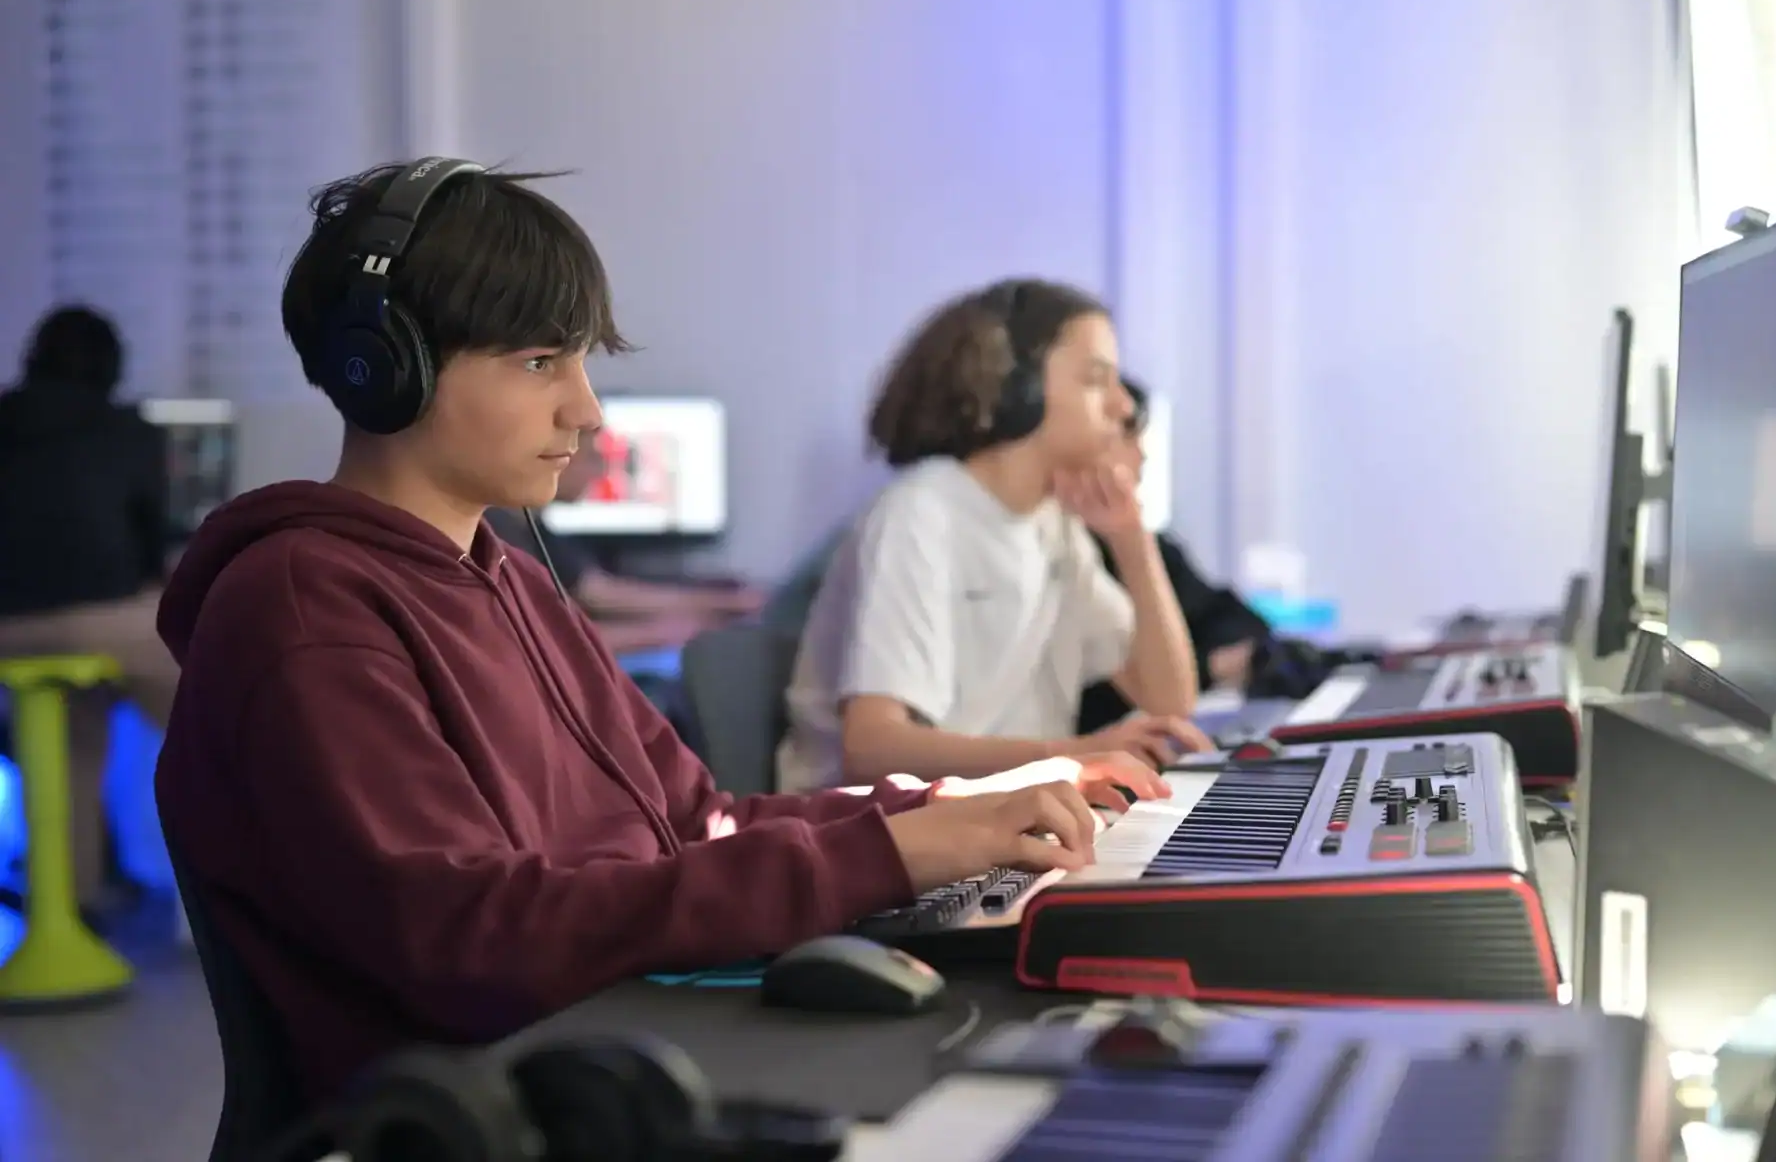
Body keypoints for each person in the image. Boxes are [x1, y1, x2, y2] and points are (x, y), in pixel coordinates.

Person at [152, 162, 1168, 1110]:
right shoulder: (305, 609)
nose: (587, 410)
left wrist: (949, 812)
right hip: (481, 1103)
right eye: (540, 360)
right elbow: (467, 940)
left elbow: (702, 822)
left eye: (581, 362)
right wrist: (889, 857)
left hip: (607, 1034)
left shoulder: (515, 588)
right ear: (386, 369)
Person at [776, 279, 1210, 794]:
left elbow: (1169, 703)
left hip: (998, 822)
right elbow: (872, 750)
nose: (1122, 406)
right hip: (875, 840)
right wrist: (1072, 756)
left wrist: (1130, 538)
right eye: (1096, 381)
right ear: (1016, 390)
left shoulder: (1054, 526)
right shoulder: (920, 514)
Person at [0, 305, 176, 911]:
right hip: (100, 617)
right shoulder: (126, 429)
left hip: (5, 629)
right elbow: (152, 550)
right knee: (217, 713)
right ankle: (253, 878)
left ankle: (70, 905)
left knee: (75, 733)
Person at [1078, 378, 1273, 732]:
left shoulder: (1152, 545)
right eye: (1128, 434)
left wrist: (1132, 536)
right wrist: (1212, 665)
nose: (1143, 454)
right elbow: (1109, 698)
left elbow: (1236, 619)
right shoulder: (1075, 547)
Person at [484, 431, 760, 654]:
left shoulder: (531, 526)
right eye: (592, 456)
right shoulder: (499, 531)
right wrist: (666, 631)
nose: (601, 470)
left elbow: (599, 593)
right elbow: (550, 641)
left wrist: (720, 606)